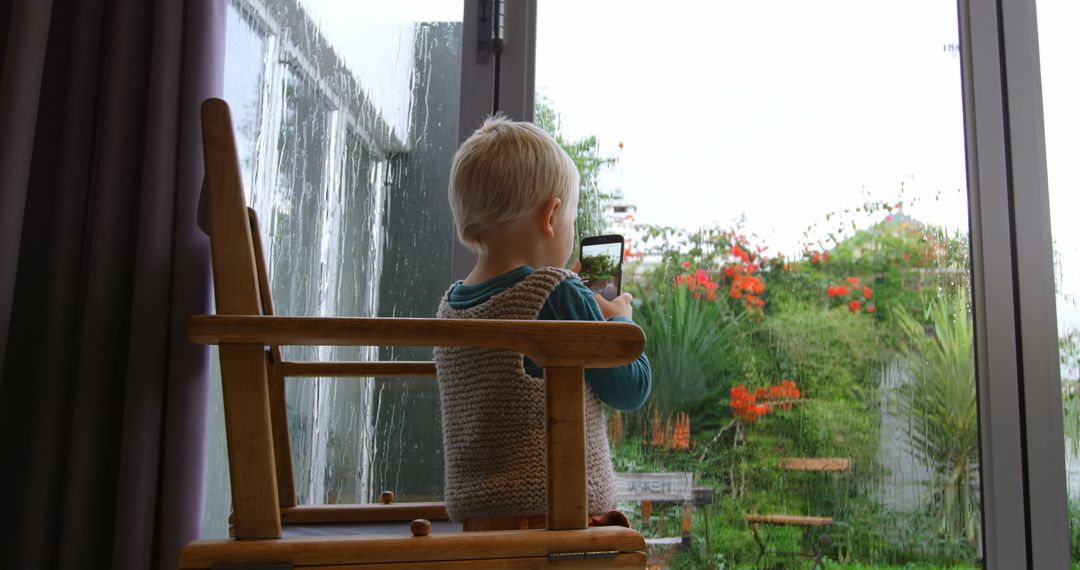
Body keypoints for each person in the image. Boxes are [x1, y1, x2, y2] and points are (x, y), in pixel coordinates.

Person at [434, 115, 652, 531]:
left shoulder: (452, 305)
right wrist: (620, 322)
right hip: (556, 517)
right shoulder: (557, 291)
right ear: (551, 216)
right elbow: (630, 388)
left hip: (480, 523)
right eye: (571, 218)